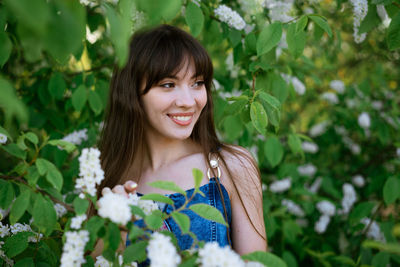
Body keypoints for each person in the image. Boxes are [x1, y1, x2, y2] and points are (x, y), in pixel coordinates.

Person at [94, 24, 266, 258]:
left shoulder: (232, 167)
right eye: (168, 85)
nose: (188, 101)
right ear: (132, 93)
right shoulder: (107, 176)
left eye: (197, 83)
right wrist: (117, 235)